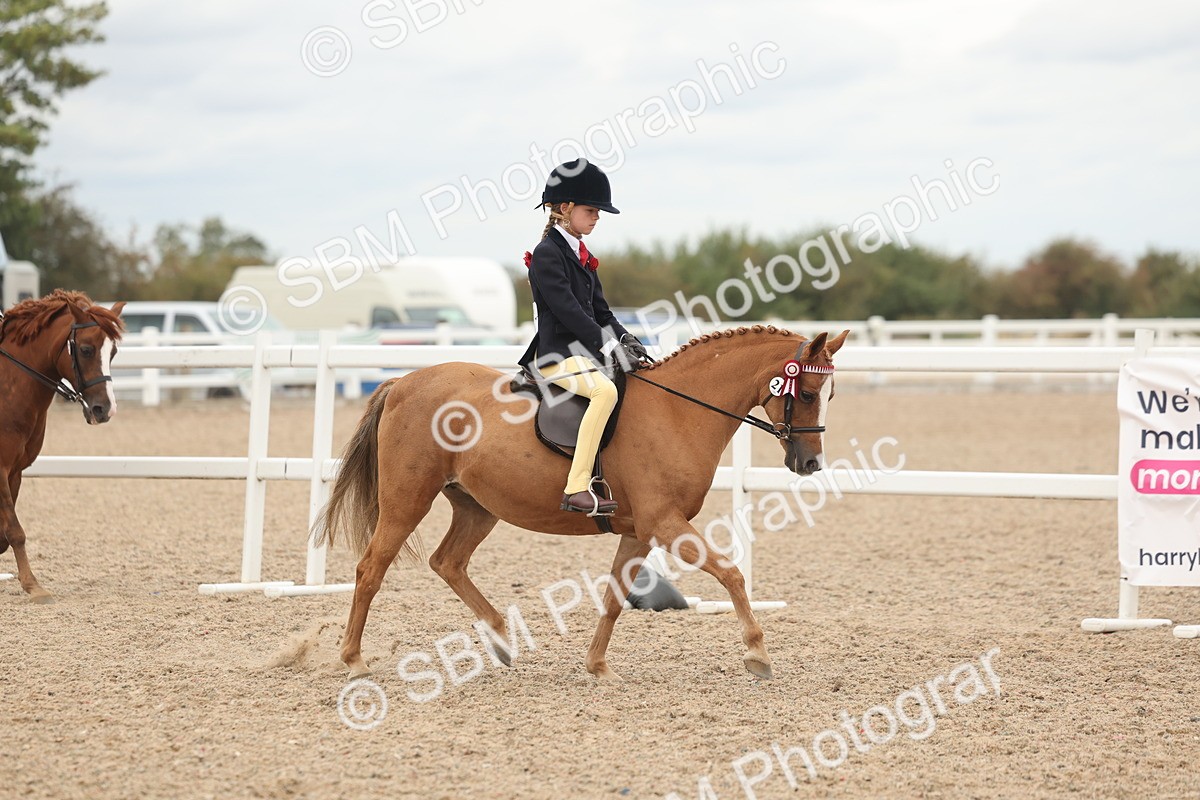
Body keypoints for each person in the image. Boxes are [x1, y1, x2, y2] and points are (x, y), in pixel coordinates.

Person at [517, 159, 649, 515]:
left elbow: (602, 312)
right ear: (565, 209)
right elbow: (569, 312)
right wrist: (608, 346)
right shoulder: (547, 255)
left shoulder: (582, 255)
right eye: (591, 210)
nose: (597, 217)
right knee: (603, 391)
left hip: (583, 355)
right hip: (554, 357)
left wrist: (627, 340)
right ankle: (577, 487)